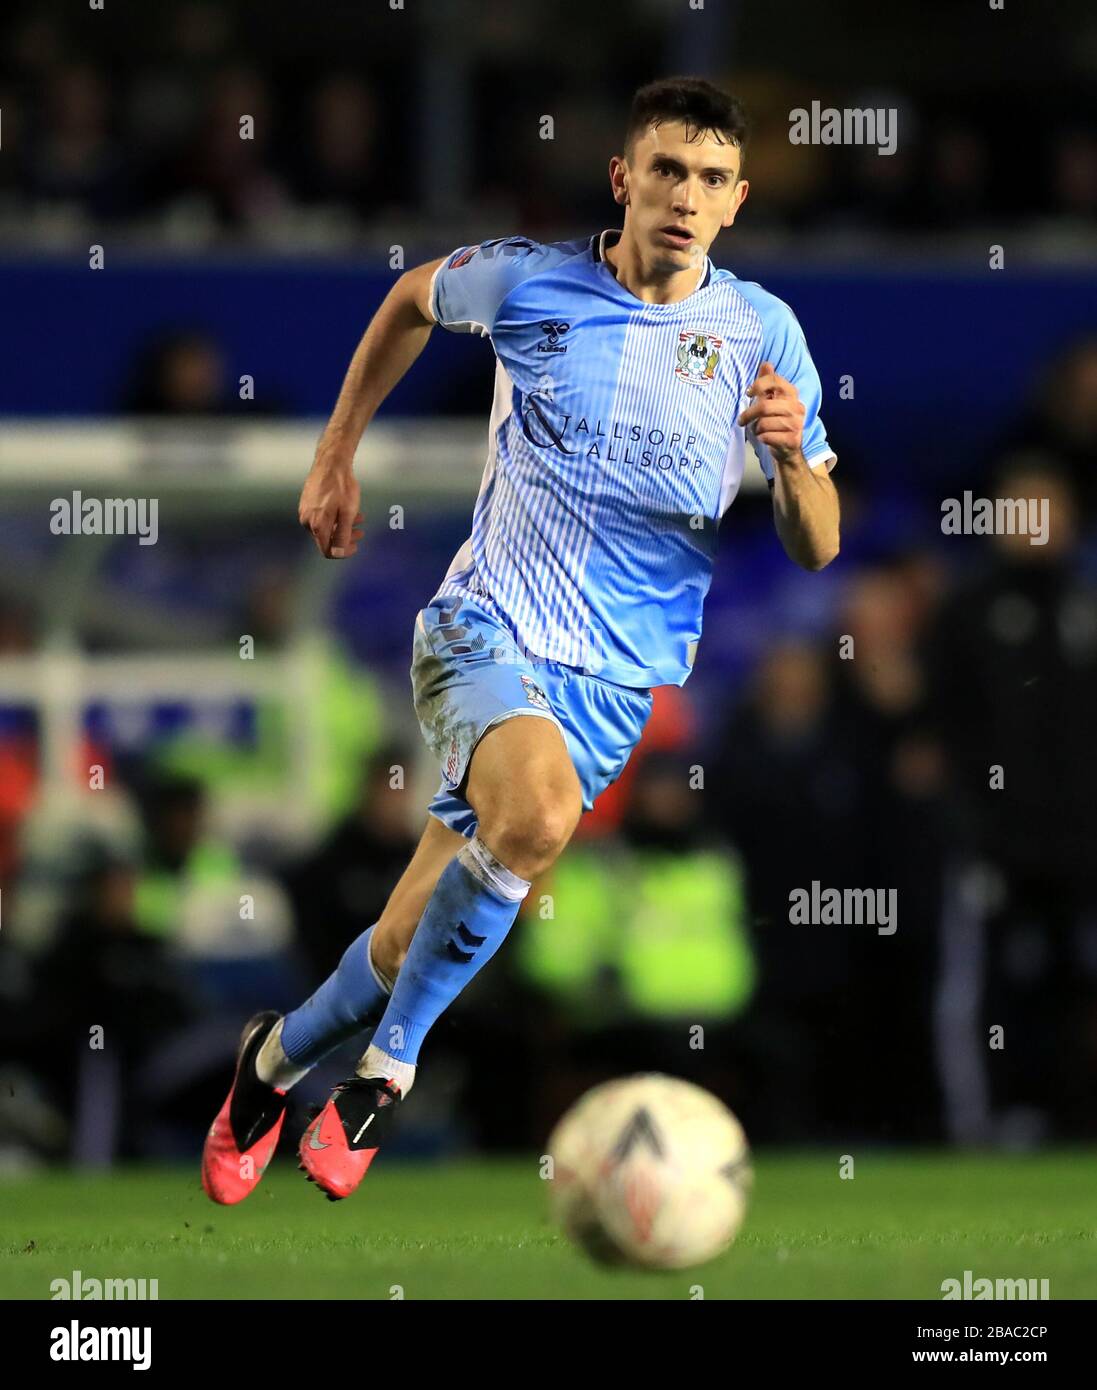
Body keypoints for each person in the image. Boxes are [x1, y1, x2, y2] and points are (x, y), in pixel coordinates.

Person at [201, 75, 840, 1205]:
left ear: (735, 201)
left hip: (610, 687)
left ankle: (272, 1061)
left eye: (708, 180)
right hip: (482, 629)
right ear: (622, 178)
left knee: (405, 946)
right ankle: (383, 1079)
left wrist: (790, 459)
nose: (683, 198)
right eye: (664, 172)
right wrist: (334, 453)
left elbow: (816, 546)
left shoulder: (759, 333)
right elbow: (407, 298)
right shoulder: (533, 283)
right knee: (536, 816)